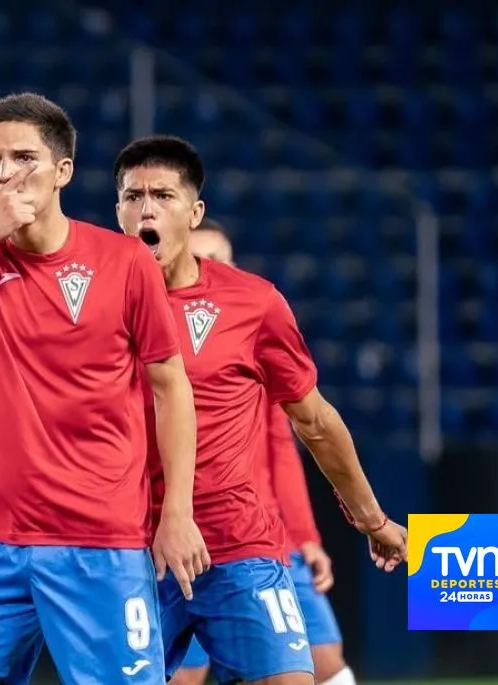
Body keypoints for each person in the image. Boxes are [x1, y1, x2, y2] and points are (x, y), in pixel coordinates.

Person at [0, 92, 204, 685]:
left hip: (100, 541)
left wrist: (176, 513)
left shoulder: (125, 262)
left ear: (62, 171)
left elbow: (171, 388)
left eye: (24, 158)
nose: (5, 173)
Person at [113, 135, 405, 685]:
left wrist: (371, 518)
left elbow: (314, 422)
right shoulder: (94, 302)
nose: (147, 209)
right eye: (133, 196)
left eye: (163, 196)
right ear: (119, 211)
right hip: (131, 552)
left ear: (194, 212)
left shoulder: (254, 303)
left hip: (239, 546)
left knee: (306, 673)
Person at [171, 222, 355, 685]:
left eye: (220, 258)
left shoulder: (252, 339)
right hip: (182, 540)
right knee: (184, 676)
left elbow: (282, 452)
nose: (209, 267)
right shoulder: (156, 345)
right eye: (199, 256)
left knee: (325, 662)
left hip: (262, 538)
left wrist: (304, 536)